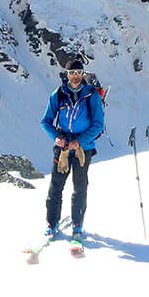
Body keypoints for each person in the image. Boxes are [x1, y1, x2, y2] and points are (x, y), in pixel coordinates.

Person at [40, 58, 104, 239]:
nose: (75, 76)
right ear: (66, 74)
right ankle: (52, 224)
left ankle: (77, 224)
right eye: (72, 72)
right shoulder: (58, 94)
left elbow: (98, 124)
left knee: (80, 187)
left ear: (83, 74)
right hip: (62, 148)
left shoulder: (92, 95)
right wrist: (57, 137)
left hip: (84, 149)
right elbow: (45, 121)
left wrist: (80, 141)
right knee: (55, 187)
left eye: (78, 72)